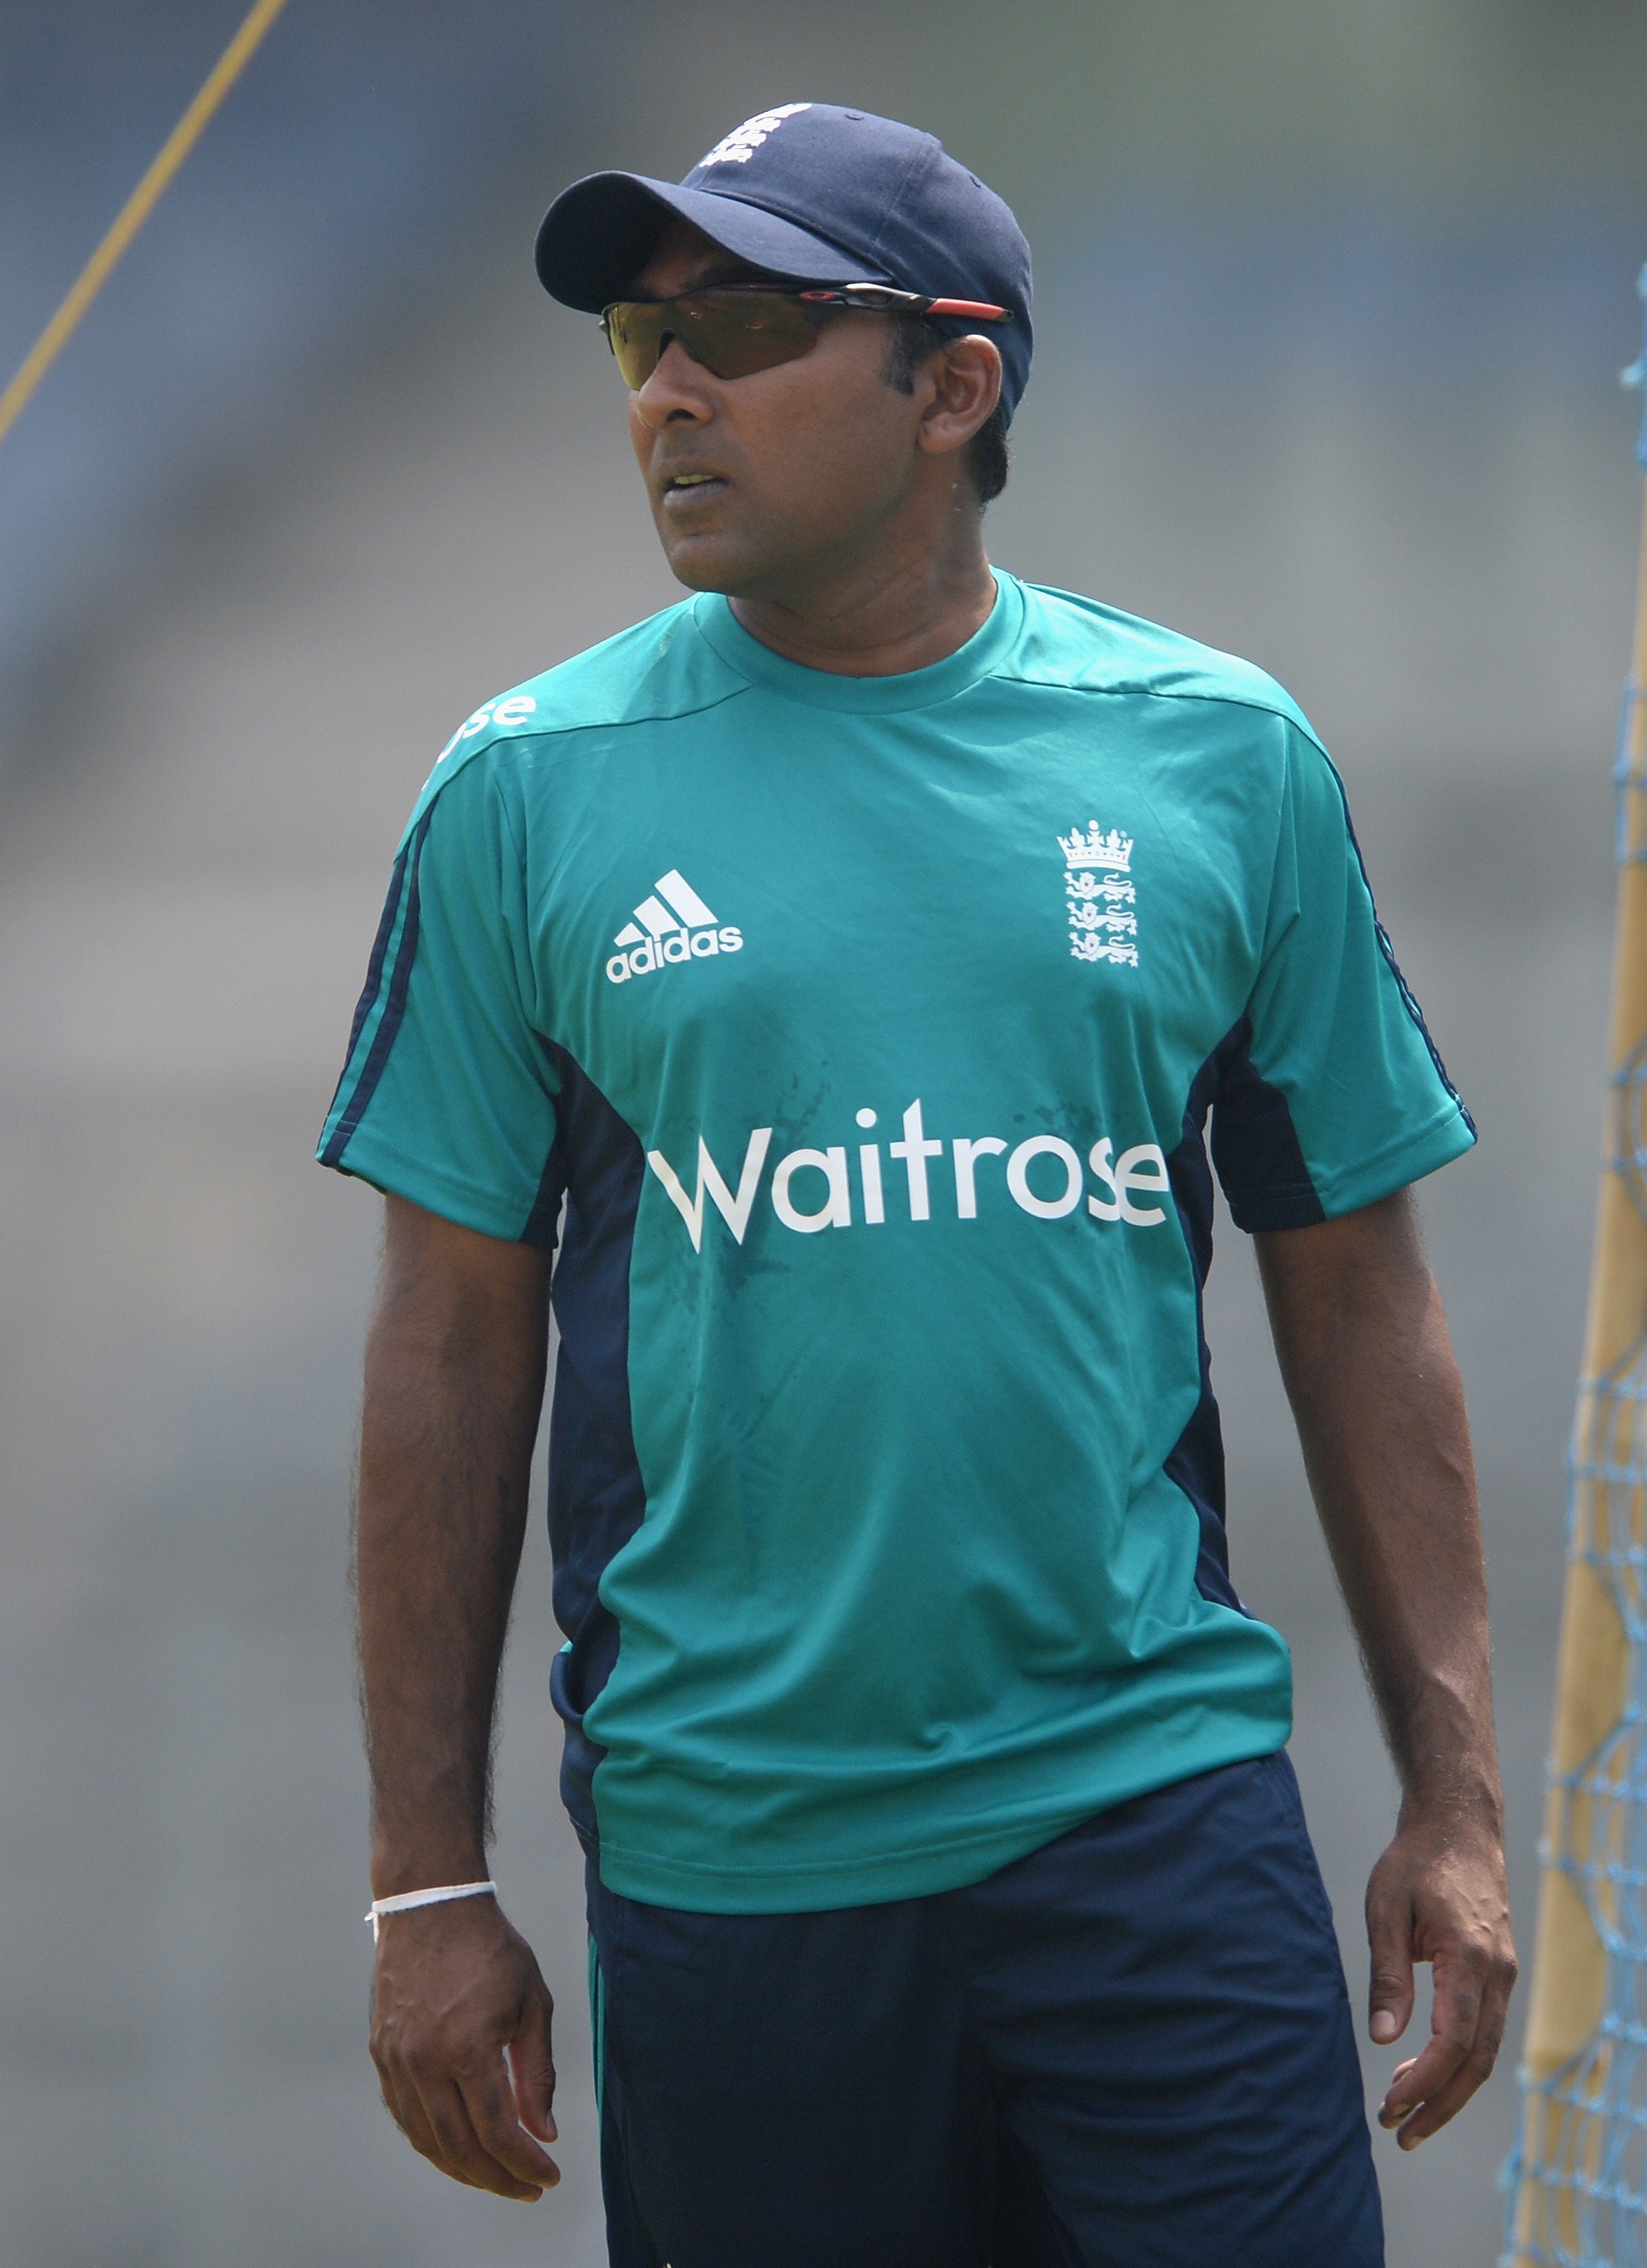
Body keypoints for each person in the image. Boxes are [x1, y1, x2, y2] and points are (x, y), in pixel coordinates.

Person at [321, 102, 1515, 2268]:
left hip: (1153, 1827)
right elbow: (447, 1349)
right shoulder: (520, 792)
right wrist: (430, 1882)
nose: (669, 393)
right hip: (735, 1867)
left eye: (743, 327)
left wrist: (1455, 1802)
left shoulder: (1221, 757)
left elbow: (1355, 1285)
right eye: (640, 340)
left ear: (954, 385)